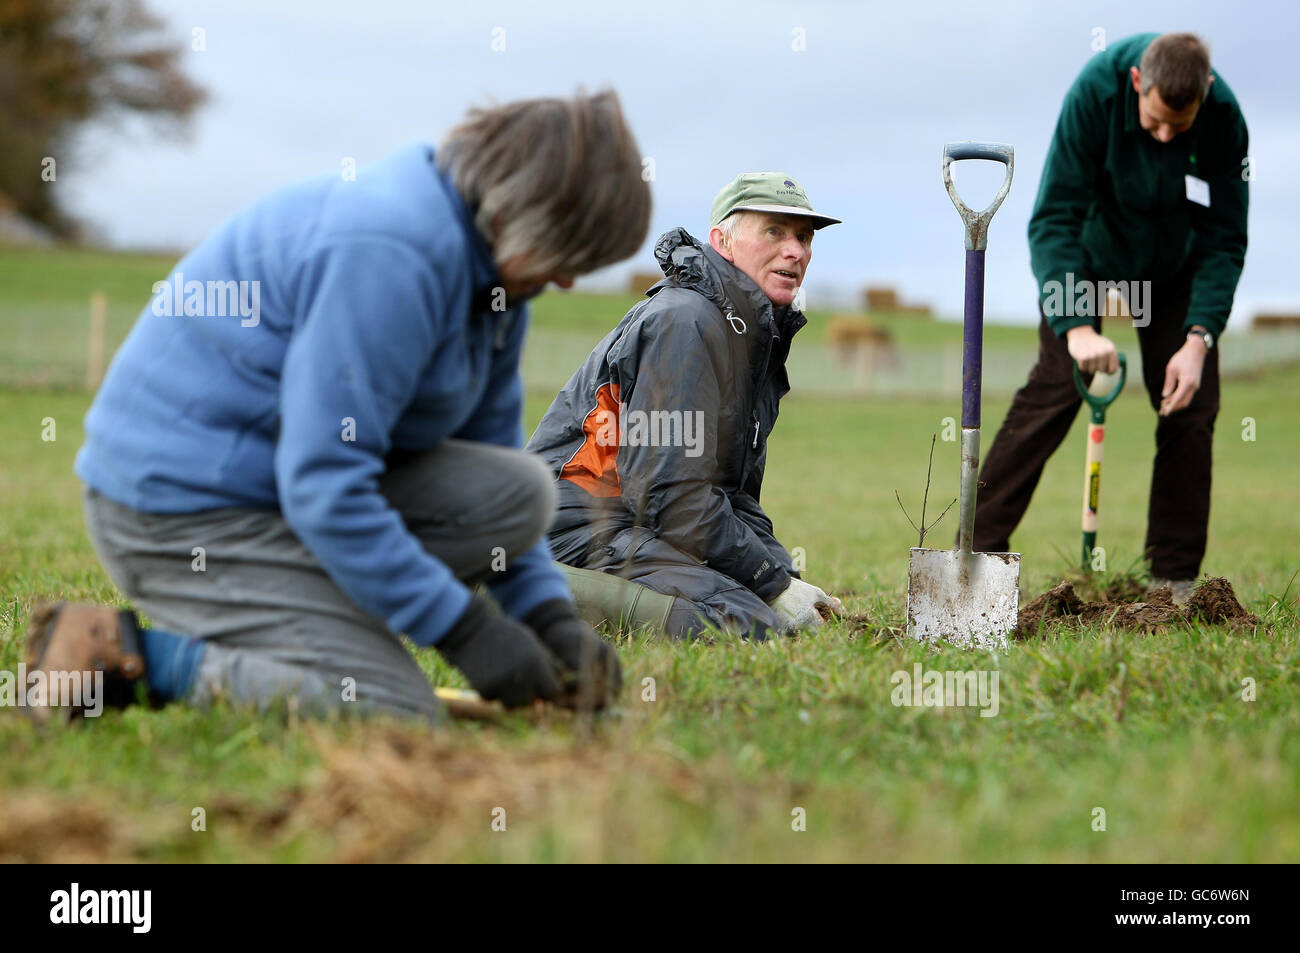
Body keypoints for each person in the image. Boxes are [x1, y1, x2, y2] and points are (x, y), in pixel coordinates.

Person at [24, 91, 650, 723]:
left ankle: (311, 618)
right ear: (524, 209)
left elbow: (490, 467)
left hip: (279, 497)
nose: (568, 281)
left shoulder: (498, 283)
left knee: (519, 489)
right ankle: (118, 657)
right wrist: (463, 630)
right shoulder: (392, 251)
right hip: (179, 514)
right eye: (570, 255)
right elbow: (326, 481)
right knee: (387, 709)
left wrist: (547, 619)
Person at [973, 32, 1249, 602]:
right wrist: (1076, 326)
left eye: (1181, 126)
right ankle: (975, 555)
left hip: (1175, 269)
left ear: (1206, 94)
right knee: (1053, 390)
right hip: (1091, 261)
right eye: (1154, 123)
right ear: (1135, 85)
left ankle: (1171, 582)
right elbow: (1055, 218)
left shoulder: (1225, 119)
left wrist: (1198, 339)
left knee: (1190, 406)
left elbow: (1225, 239)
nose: (1167, 136)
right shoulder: (1093, 95)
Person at [527, 173, 844, 639]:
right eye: (774, 232)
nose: (795, 250)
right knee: (739, 622)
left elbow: (731, 497)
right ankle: (504, 588)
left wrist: (786, 578)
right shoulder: (686, 323)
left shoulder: (750, 337)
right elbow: (671, 494)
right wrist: (770, 585)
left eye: (803, 236)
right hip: (573, 528)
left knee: (772, 612)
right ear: (723, 242)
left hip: (632, 522)